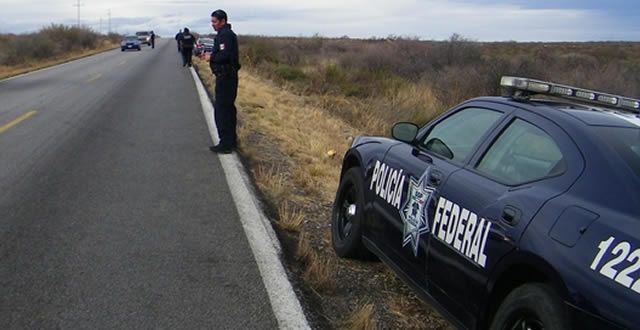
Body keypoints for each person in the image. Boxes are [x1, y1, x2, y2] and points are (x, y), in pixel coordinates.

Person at [207, 9, 241, 154]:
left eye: (215, 21)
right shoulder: (224, 34)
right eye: (212, 21)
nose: (212, 24)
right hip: (226, 77)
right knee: (227, 109)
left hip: (226, 78)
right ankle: (231, 141)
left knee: (222, 111)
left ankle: (226, 144)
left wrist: (211, 57)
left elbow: (225, 55)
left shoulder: (225, 35)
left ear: (223, 21)